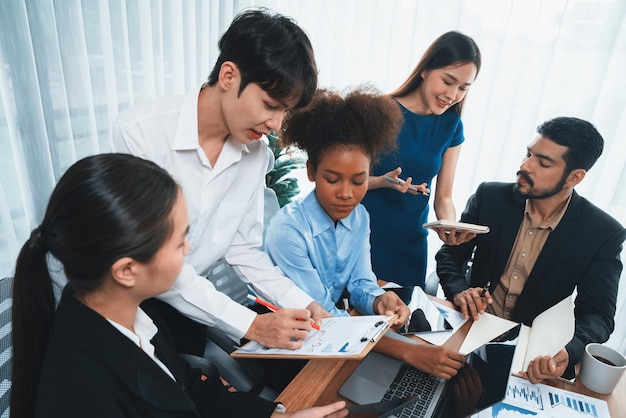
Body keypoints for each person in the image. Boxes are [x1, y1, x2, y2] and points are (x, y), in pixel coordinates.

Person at [11, 153, 347, 418]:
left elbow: (188, 391)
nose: (189, 249)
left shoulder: (136, 317)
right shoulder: (87, 389)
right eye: (179, 242)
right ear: (127, 270)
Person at [107, 8, 326, 350]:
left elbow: (243, 249)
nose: (275, 125)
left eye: (286, 112)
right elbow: (154, 257)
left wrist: (304, 303)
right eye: (270, 105)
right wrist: (251, 324)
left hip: (190, 309)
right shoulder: (140, 133)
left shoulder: (255, 156)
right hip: (125, 306)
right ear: (229, 76)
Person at [264, 87, 466, 380]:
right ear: (311, 171)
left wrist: (378, 300)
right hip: (291, 351)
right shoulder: (288, 230)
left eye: (358, 181)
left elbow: (360, 281)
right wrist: (407, 350)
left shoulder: (359, 216)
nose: (346, 194)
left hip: (336, 342)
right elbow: (324, 316)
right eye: (332, 180)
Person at [435, 116, 626, 383]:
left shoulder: (602, 233)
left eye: (543, 162)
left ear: (575, 177)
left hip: (533, 358)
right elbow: (450, 255)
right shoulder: (490, 197)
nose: (525, 166)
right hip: (469, 328)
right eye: (528, 154)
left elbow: (598, 315)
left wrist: (568, 353)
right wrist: (459, 290)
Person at [361, 31, 481, 303]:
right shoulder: (379, 110)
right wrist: (382, 181)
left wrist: (449, 227)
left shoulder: (452, 127)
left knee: (397, 329)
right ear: (425, 70)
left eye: (463, 88)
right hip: (361, 236)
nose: (452, 95)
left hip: (408, 247)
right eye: (448, 81)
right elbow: (345, 181)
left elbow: (444, 197)